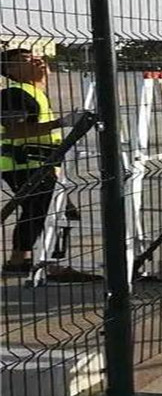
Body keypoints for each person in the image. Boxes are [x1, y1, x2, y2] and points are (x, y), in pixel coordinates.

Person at [1, 47, 100, 281]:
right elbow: (14, 130)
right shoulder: (14, 94)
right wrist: (60, 123)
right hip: (22, 163)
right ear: (10, 70)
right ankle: (43, 263)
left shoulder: (35, 92)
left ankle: (25, 261)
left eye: (37, 57)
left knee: (48, 210)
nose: (37, 61)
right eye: (26, 60)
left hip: (41, 162)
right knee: (44, 209)